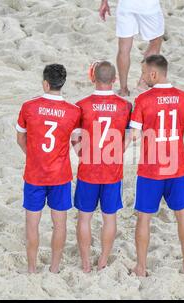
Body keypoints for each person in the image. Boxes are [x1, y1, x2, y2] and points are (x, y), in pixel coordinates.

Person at [129, 55, 184, 276]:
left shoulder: (143, 100)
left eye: (142, 73)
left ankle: (141, 267)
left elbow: (135, 136)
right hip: (176, 166)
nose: (141, 77)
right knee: (183, 216)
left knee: (144, 218)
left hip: (151, 169)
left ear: (153, 74)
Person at [16, 64, 81, 274]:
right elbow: (77, 144)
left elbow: (20, 139)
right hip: (60, 176)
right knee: (59, 225)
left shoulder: (29, 106)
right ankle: (54, 269)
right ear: (62, 84)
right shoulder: (74, 112)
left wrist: (34, 157)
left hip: (35, 175)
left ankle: (32, 269)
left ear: (45, 83)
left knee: (32, 225)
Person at [71, 61, 132, 273]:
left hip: (88, 169)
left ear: (93, 78)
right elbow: (129, 135)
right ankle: (103, 261)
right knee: (109, 218)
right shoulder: (125, 106)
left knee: (84, 217)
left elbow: (75, 137)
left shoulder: (81, 104)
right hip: (112, 171)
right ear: (115, 80)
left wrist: (81, 153)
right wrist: (118, 151)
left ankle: (86, 264)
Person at [99, 0, 165, 96]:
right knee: (155, 41)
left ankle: (123, 89)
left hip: (126, 5)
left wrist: (104, 2)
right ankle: (143, 83)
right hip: (148, 5)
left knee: (123, 49)